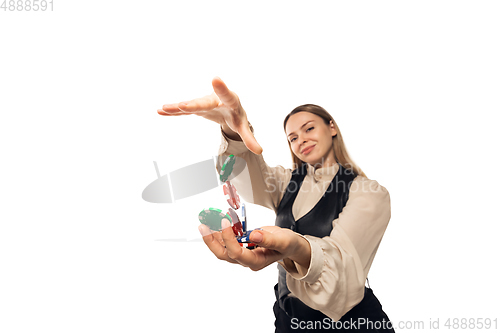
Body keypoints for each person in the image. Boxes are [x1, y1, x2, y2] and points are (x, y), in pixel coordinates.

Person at [158, 77, 395, 332]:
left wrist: (296, 247)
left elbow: (342, 270)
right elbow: (246, 179)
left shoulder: (368, 193)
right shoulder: (288, 183)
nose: (300, 139)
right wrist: (233, 130)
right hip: (288, 320)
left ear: (332, 127)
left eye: (309, 128)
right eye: (292, 137)